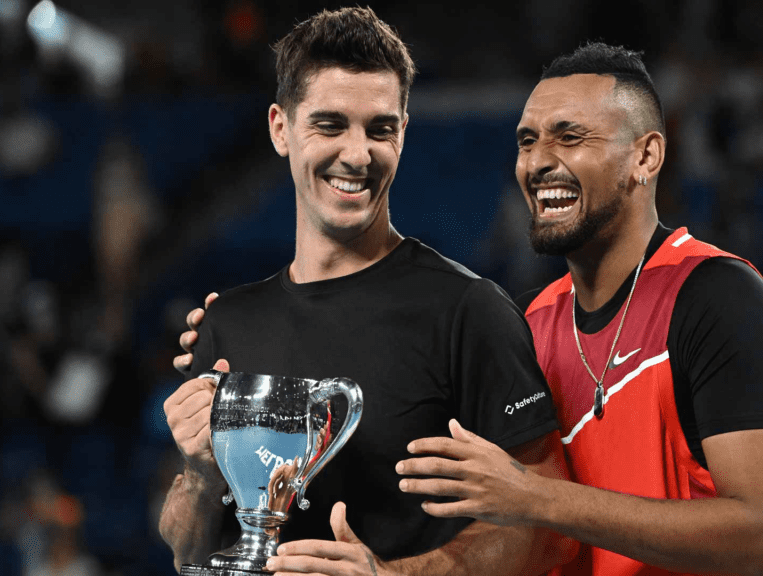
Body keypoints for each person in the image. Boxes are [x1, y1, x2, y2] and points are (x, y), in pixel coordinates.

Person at [159, 8, 574, 576]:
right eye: (330, 125)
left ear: (403, 132)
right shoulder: (226, 323)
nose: (357, 154)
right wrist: (201, 474)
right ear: (281, 129)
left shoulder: (467, 310)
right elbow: (187, 552)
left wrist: (391, 575)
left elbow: (549, 531)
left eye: (379, 129)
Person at [395, 43, 763, 575]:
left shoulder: (718, 298)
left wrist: (534, 497)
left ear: (645, 157)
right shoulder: (527, 326)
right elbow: (534, 540)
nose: (539, 161)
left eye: (569, 137)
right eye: (528, 141)